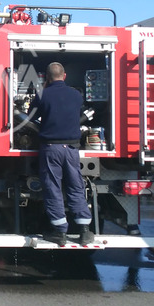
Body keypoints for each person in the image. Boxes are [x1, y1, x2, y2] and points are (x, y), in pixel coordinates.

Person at [32, 62, 94, 246]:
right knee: (76, 186)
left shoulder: (43, 94)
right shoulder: (76, 95)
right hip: (72, 149)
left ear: (46, 77)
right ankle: (84, 231)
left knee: (53, 188)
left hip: (51, 149)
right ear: (64, 76)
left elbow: (31, 116)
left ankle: (60, 232)